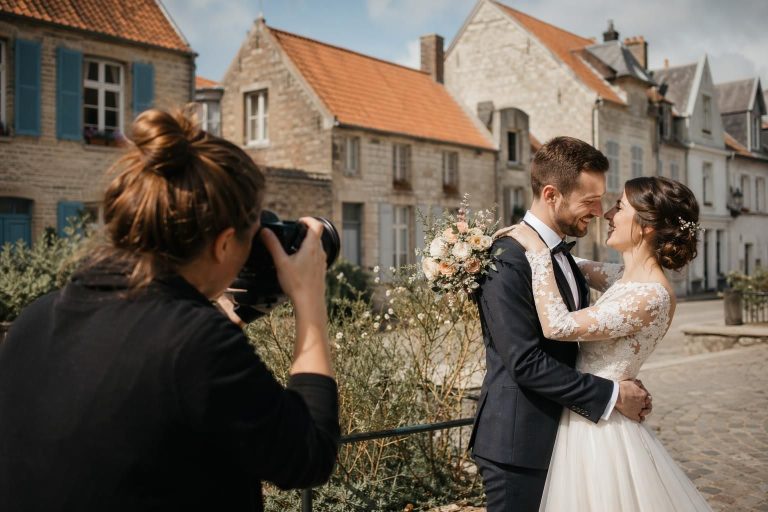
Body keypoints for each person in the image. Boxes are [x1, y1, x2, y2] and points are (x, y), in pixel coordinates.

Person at [0, 109, 340, 511]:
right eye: (252, 238)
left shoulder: (35, 320)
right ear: (224, 243)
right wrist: (309, 301)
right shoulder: (197, 345)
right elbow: (308, 454)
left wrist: (209, 315)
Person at [507, 175, 711, 511]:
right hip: (586, 411)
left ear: (646, 226)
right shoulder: (622, 277)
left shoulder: (650, 296)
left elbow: (557, 325)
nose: (607, 215)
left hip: (601, 430)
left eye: (619, 207)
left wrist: (536, 251)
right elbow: (574, 264)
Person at [469, 136, 651, 511]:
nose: (600, 211)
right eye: (590, 200)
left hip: (566, 440)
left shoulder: (563, 256)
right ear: (552, 195)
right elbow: (524, 362)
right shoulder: (508, 257)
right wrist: (613, 395)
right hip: (517, 445)